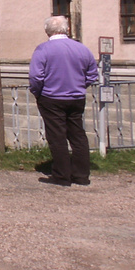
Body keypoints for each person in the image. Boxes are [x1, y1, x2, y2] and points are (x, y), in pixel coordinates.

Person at [27, 15, 98, 186]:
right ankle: (81, 175)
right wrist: (80, 86)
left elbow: (36, 76)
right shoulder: (82, 49)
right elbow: (92, 74)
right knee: (78, 135)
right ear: (67, 29)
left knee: (57, 136)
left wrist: (38, 92)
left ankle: (61, 175)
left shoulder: (43, 50)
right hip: (76, 96)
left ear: (47, 31)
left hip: (51, 97)